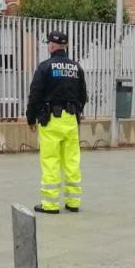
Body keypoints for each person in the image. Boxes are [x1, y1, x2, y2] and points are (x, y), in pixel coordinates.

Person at [26, 31, 87, 214]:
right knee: (72, 161)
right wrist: (76, 112)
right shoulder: (76, 68)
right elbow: (83, 96)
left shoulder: (45, 67)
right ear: (65, 46)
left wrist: (31, 118)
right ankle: (73, 202)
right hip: (71, 120)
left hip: (51, 120)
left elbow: (35, 95)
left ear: (51, 46)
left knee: (51, 161)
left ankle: (51, 204)